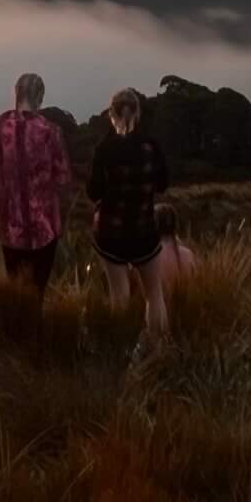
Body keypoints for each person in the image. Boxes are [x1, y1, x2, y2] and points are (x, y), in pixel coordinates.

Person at [89, 86, 173, 343]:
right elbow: (162, 184)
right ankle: (158, 349)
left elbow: (93, 192)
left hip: (111, 234)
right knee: (154, 293)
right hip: (144, 231)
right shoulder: (151, 145)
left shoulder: (105, 148)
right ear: (137, 113)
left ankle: (120, 347)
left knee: (119, 295)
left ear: (112, 115)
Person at [0, 72, 71, 297]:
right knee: (38, 292)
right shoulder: (51, 131)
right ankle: (35, 330)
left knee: (16, 291)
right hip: (44, 229)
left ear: (16, 93)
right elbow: (63, 177)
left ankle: (17, 330)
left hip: (9, 228)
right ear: (40, 96)